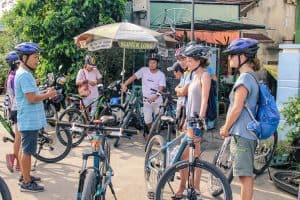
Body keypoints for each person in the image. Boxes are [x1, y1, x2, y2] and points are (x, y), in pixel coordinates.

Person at [220, 38, 260, 200]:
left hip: (242, 134)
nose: (229, 59)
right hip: (246, 133)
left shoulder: (245, 79)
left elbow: (237, 107)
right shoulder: (251, 76)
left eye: (231, 55)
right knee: (244, 175)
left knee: (244, 176)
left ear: (242, 56)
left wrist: (225, 127)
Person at [15, 42, 57, 192]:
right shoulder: (25, 75)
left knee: (24, 149)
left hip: (27, 119)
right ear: (24, 57)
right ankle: (26, 182)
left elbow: (32, 93)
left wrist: (44, 91)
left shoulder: (24, 73)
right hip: (28, 120)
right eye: (35, 57)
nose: (37, 60)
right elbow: (31, 98)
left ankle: (24, 175)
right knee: (27, 151)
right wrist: (49, 94)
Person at [173, 44, 212, 199]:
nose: (186, 63)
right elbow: (187, 98)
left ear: (198, 60)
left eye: (189, 60)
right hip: (188, 121)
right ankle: (184, 187)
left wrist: (200, 119)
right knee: (185, 157)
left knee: (194, 157)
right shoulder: (193, 76)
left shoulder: (204, 76)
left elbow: (204, 99)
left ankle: (193, 188)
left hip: (196, 123)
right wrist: (184, 121)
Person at [121, 54, 166, 139]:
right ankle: (150, 132)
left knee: (158, 120)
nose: (151, 64)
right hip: (146, 101)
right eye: (150, 62)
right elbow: (133, 77)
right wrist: (125, 84)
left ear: (157, 64)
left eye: (154, 62)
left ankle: (155, 134)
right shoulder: (144, 70)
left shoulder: (161, 74)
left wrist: (155, 96)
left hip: (157, 101)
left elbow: (161, 88)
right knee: (147, 120)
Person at [5, 51, 21, 173]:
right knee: (19, 138)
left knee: (19, 137)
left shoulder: (12, 75)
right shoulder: (14, 77)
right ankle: (16, 160)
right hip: (17, 109)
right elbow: (19, 95)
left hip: (15, 108)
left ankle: (17, 161)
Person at [76, 54, 102, 119]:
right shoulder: (81, 71)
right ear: (86, 64)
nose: (91, 67)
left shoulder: (95, 70)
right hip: (86, 95)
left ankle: (93, 126)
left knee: (95, 112)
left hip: (95, 95)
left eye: (93, 66)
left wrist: (96, 82)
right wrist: (87, 81)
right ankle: (85, 126)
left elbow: (100, 80)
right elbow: (77, 83)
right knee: (85, 113)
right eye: (90, 66)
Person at [167, 61, 186, 130]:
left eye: (174, 71)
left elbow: (182, 92)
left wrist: (177, 90)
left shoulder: (185, 78)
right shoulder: (183, 78)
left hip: (184, 108)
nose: (174, 74)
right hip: (181, 106)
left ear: (178, 71)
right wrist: (178, 90)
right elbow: (178, 91)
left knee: (181, 127)